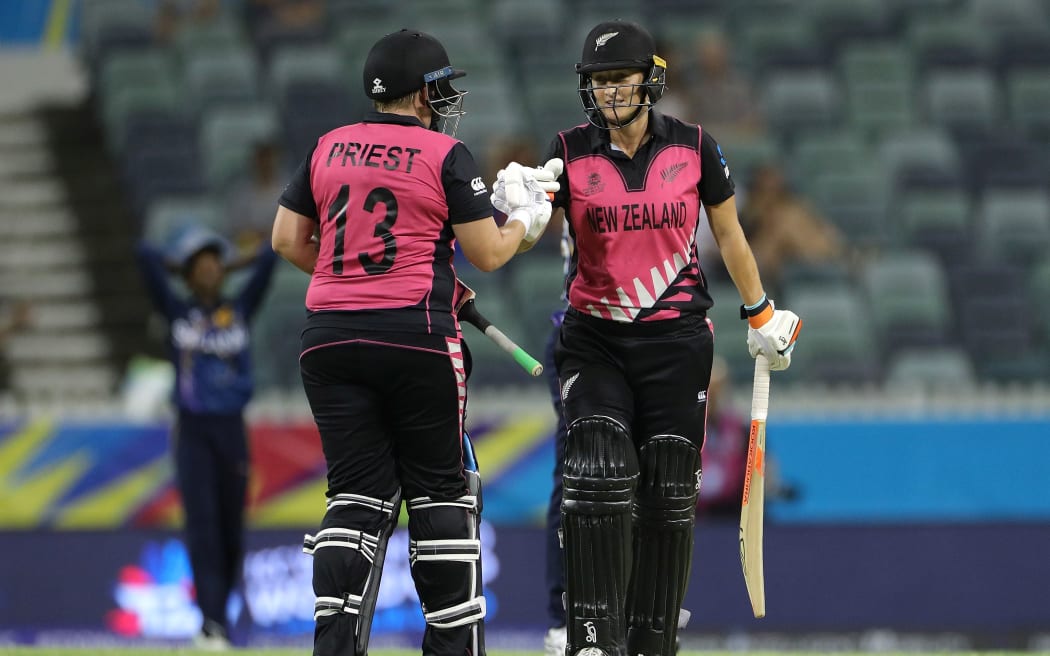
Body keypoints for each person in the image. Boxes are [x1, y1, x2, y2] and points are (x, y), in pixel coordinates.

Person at [501, 20, 802, 656]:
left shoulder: (694, 147)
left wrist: (762, 314)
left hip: (676, 340)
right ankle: (588, 635)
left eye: (621, 78)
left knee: (668, 492)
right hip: (595, 339)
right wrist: (518, 211)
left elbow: (730, 234)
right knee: (597, 475)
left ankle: (652, 639)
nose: (610, 92)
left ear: (651, 80)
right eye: (599, 81)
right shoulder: (569, 149)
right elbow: (525, 239)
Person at [269, 28, 553, 656]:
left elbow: (288, 239)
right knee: (441, 497)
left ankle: (335, 645)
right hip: (416, 337)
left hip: (329, 340)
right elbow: (486, 252)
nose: (446, 100)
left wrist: (354, 281)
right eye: (440, 89)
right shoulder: (443, 155)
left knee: (354, 496)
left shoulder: (328, 145)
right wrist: (525, 224)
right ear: (422, 95)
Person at [135, 225, 277, 650]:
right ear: (190, 273)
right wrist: (185, 264)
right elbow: (143, 253)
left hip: (232, 429)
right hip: (193, 431)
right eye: (203, 264)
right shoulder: (177, 311)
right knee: (202, 528)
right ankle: (210, 624)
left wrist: (233, 263)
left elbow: (271, 257)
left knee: (232, 530)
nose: (211, 269)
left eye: (216, 262)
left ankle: (218, 621)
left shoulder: (239, 308)